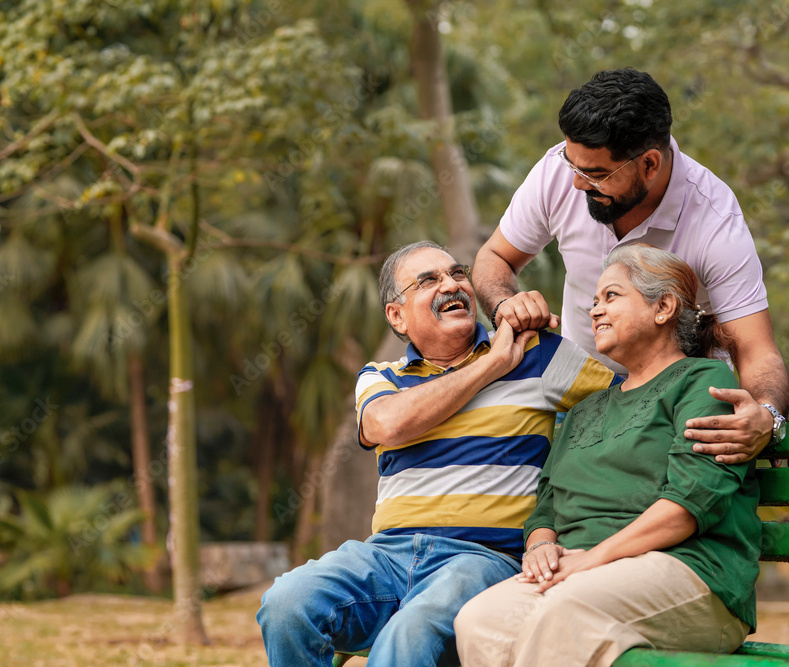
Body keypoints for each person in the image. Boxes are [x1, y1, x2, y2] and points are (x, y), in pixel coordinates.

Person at [257, 241, 617, 667]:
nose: (452, 284)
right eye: (429, 280)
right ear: (397, 315)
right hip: (386, 555)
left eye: (458, 273)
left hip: (484, 558)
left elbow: (633, 398)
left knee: (411, 630)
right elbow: (386, 425)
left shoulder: (536, 354)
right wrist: (493, 364)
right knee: (285, 603)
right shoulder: (381, 377)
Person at [454, 243, 762, 667]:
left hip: (691, 572)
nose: (594, 311)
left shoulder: (703, 383)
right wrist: (541, 546)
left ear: (664, 307)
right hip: (580, 573)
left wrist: (593, 560)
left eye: (611, 297)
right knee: (479, 620)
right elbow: (546, 506)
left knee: (566, 614)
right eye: (593, 301)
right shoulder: (587, 409)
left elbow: (689, 505)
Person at [473, 67, 789, 465]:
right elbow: (494, 258)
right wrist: (505, 303)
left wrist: (766, 416)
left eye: (597, 174)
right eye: (573, 165)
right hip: (575, 396)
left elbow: (756, 350)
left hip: (675, 407)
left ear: (650, 164)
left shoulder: (713, 218)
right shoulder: (560, 170)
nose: (577, 184)